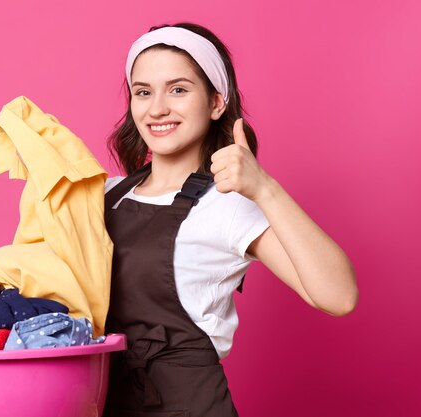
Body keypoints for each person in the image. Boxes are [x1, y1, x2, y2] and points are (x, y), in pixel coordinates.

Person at [101, 22, 358, 416]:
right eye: (143, 92)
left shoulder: (227, 205)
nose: (157, 109)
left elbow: (338, 297)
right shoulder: (106, 195)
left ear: (217, 102)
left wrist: (264, 188)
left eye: (179, 89)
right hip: (102, 402)